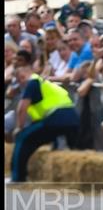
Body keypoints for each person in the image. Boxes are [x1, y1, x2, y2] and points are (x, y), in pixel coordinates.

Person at [10, 50, 80, 182]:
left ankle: (18, 178)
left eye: (19, 78)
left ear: (23, 75)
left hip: (56, 118)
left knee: (23, 139)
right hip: (73, 118)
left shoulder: (32, 82)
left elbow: (21, 109)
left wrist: (19, 128)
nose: (20, 82)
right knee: (71, 149)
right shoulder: (44, 83)